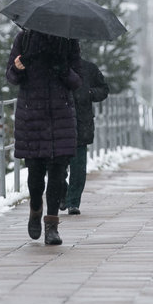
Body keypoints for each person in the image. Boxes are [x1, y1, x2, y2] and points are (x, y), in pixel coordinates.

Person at [6, 28, 82, 245]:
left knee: (58, 176)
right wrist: (19, 67)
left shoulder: (68, 41)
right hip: (32, 117)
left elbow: (77, 81)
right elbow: (11, 75)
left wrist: (63, 70)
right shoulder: (25, 39)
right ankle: (35, 210)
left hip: (61, 118)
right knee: (36, 177)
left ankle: (52, 226)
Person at [61, 57, 110, 215]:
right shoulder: (54, 67)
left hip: (81, 124)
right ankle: (63, 194)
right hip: (59, 124)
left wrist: (89, 93)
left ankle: (73, 202)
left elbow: (103, 89)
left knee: (78, 167)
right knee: (56, 166)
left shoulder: (89, 68)